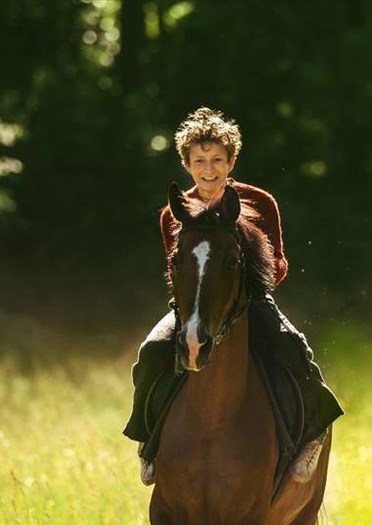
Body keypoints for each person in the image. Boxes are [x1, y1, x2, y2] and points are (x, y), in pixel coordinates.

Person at [123, 107, 344, 485]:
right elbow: (176, 271)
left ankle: (314, 430)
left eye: (217, 160)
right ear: (187, 164)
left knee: (292, 346)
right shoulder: (172, 214)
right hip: (193, 307)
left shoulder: (260, 202)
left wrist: (240, 287)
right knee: (151, 351)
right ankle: (148, 441)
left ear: (231, 161)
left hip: (250, 303)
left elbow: (278, 264)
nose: (209, 169)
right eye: (200, 161)